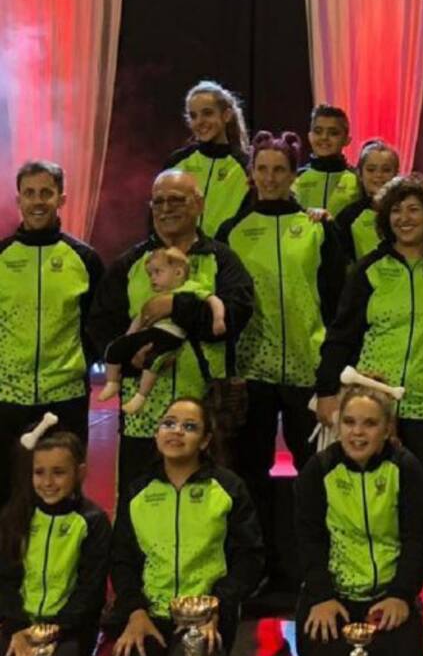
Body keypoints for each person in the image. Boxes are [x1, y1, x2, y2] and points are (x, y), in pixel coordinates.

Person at [317, 174, 423, 607]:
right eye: (396, 210)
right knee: (378, 493)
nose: (404, 218)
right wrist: (326, 391)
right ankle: (381, 581)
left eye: (414, 209)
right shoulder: (368, 270)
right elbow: (341, 334)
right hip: (373, 404)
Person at [217, 131, 346, 581]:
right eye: (262, 169)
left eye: (279, 170)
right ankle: (256, 569)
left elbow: (336, 302)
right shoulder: (232, 232)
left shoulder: (318, 228)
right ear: (251, 173)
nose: (270, 178)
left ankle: (313, 568)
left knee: (314, 472)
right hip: (252, 371)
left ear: (294, 175)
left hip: (307, 370)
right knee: (249, 472)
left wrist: (331, 370)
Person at [88, 170, 254, 487]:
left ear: (199, 204)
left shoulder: (222, 260)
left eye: (176, 200)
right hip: (143, 416)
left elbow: (234, 317)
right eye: (158, 201)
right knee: (139, 502)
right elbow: (100, 325)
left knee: (209, 503)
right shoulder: (130, 263)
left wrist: (176, 307)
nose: (166, 209)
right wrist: (130, 356)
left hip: (207, 411)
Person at [107, 398, 263, 656]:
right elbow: (122, 559)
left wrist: (218, 605)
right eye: (169, 423)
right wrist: (134, 612)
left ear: (205, 441)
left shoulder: (228, 487)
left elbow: (250, 558)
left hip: (206, 617)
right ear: (157, 433)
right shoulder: (137, 491)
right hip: (150, 614)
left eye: (189, 427)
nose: (176, 431)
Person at [294, 382, 423, 656]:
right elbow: (308, 540)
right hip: (334, 594)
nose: (357, 432)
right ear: (338, 424)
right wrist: (322, 596)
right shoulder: (318, 470)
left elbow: (418, 539)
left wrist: (401, 595)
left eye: (370, 423)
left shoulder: (406, 468)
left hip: (387, 594)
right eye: (349, 422)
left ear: (387, 429)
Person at [0, 160, 104, 505]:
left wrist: (78, 364)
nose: (37, 201)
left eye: (46, 192)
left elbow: (98, 325)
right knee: (8, 497)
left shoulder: (85, 259)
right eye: (29, 193)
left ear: (62, 198)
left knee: (62, 498)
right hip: (7, 400)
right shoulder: (1, 256)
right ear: (19, 200)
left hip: (65, 399)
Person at [0, 429, 110, 656]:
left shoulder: (92, 520)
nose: (48, 482)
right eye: (39, 473)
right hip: (23, 624)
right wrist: (18, 628)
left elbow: (90, 590)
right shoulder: (17, 516)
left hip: (68, 628)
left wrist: (55, 631)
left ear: (80, 473)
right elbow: (6, 578)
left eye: (59, 473)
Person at [98, 247, 227, 414]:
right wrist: (130, 337)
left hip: (172, 334)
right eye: (150, 274)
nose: (152, 278)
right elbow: (141, 317)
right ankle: (112, 381)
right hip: (153, 331)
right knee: (115, 347)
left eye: (158, 272)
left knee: (153, 360)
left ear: (178, 273)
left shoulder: (191, 287)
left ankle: (141, 396)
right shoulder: (155, 296)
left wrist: (218, 319)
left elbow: (213, 300)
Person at [164, 80, 250, 235]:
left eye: (207, 113)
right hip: (180, 249)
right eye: (193, 116)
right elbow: (158, 214)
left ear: (226, 115)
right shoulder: (176, 163)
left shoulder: (246, 166)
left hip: (228, 250)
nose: (200, 122)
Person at [334, 139, 401, 263]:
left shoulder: (406, 213)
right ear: (360, 174)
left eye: (386, 170)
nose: (378, 175)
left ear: (396, 174)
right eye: (371, 169)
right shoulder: (349, 216)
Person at [293, 104, 362, 217]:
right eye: (318, 131)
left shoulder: (358, 179)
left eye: (333, 133)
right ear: (310, 136)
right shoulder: (295, 178)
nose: (324, 137)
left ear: (347, 139)